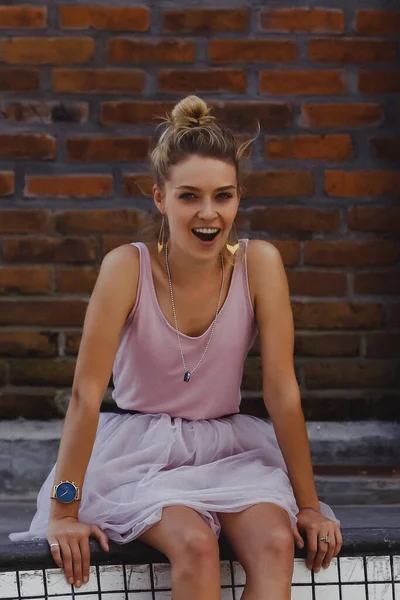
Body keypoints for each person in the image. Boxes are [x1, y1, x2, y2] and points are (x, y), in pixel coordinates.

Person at [10, 95, 342, 600]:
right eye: (189, 196)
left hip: (228, 449)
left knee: (277, 543)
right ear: (160, 198)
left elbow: (281, 391)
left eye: (223, 196)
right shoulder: (128, 268)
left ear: (238, 198)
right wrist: (63, 512)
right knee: (194, 544)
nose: (209, 214)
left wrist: (311, 504)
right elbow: (85, 395)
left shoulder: (261, 265)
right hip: (140, 455)